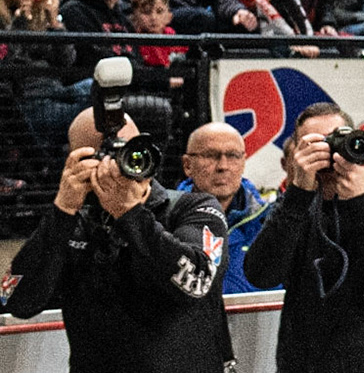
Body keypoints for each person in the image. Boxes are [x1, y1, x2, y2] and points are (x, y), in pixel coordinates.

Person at [7, 108, 232, 372]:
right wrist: (62, 209)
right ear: (76, 160)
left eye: (130, 150)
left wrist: (130, 214)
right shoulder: (69, 223)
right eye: (104, 156)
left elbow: (197, 282)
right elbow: (19, 302)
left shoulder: (194, 208)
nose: (120, 164)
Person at [244, 101, 364, 373]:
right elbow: (261, 274)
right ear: (296, 154)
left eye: (337, 139)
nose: (331, 152)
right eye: (316, 145)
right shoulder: (294, 209)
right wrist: (299, 192)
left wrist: (359, 198)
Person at [178, 121, 270, 293]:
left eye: (233, 155)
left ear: (243, 161)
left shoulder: (269, 223)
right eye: (210, 155)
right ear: (187, 165)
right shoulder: (165, 222)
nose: (223, 166)